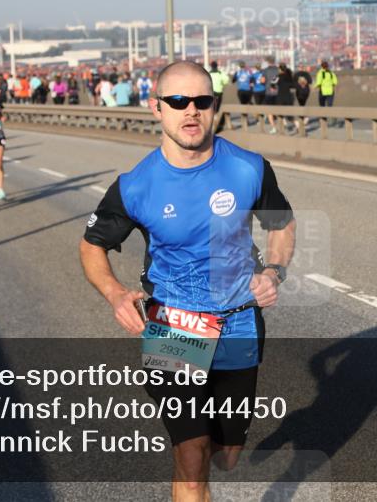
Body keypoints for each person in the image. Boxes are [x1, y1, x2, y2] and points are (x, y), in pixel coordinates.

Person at [79, 61, 295, 501]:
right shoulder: (136, 186)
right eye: (178, 102)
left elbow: (282, 224)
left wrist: (274, 271)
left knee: (227, 452)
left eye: (202, 101)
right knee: (192, 456)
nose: (191, 111)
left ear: (214, 106)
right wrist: (115, 293)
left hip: (238, 322)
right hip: (176, 326)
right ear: (156, 108)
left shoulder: (249, 169)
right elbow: (91, 245)